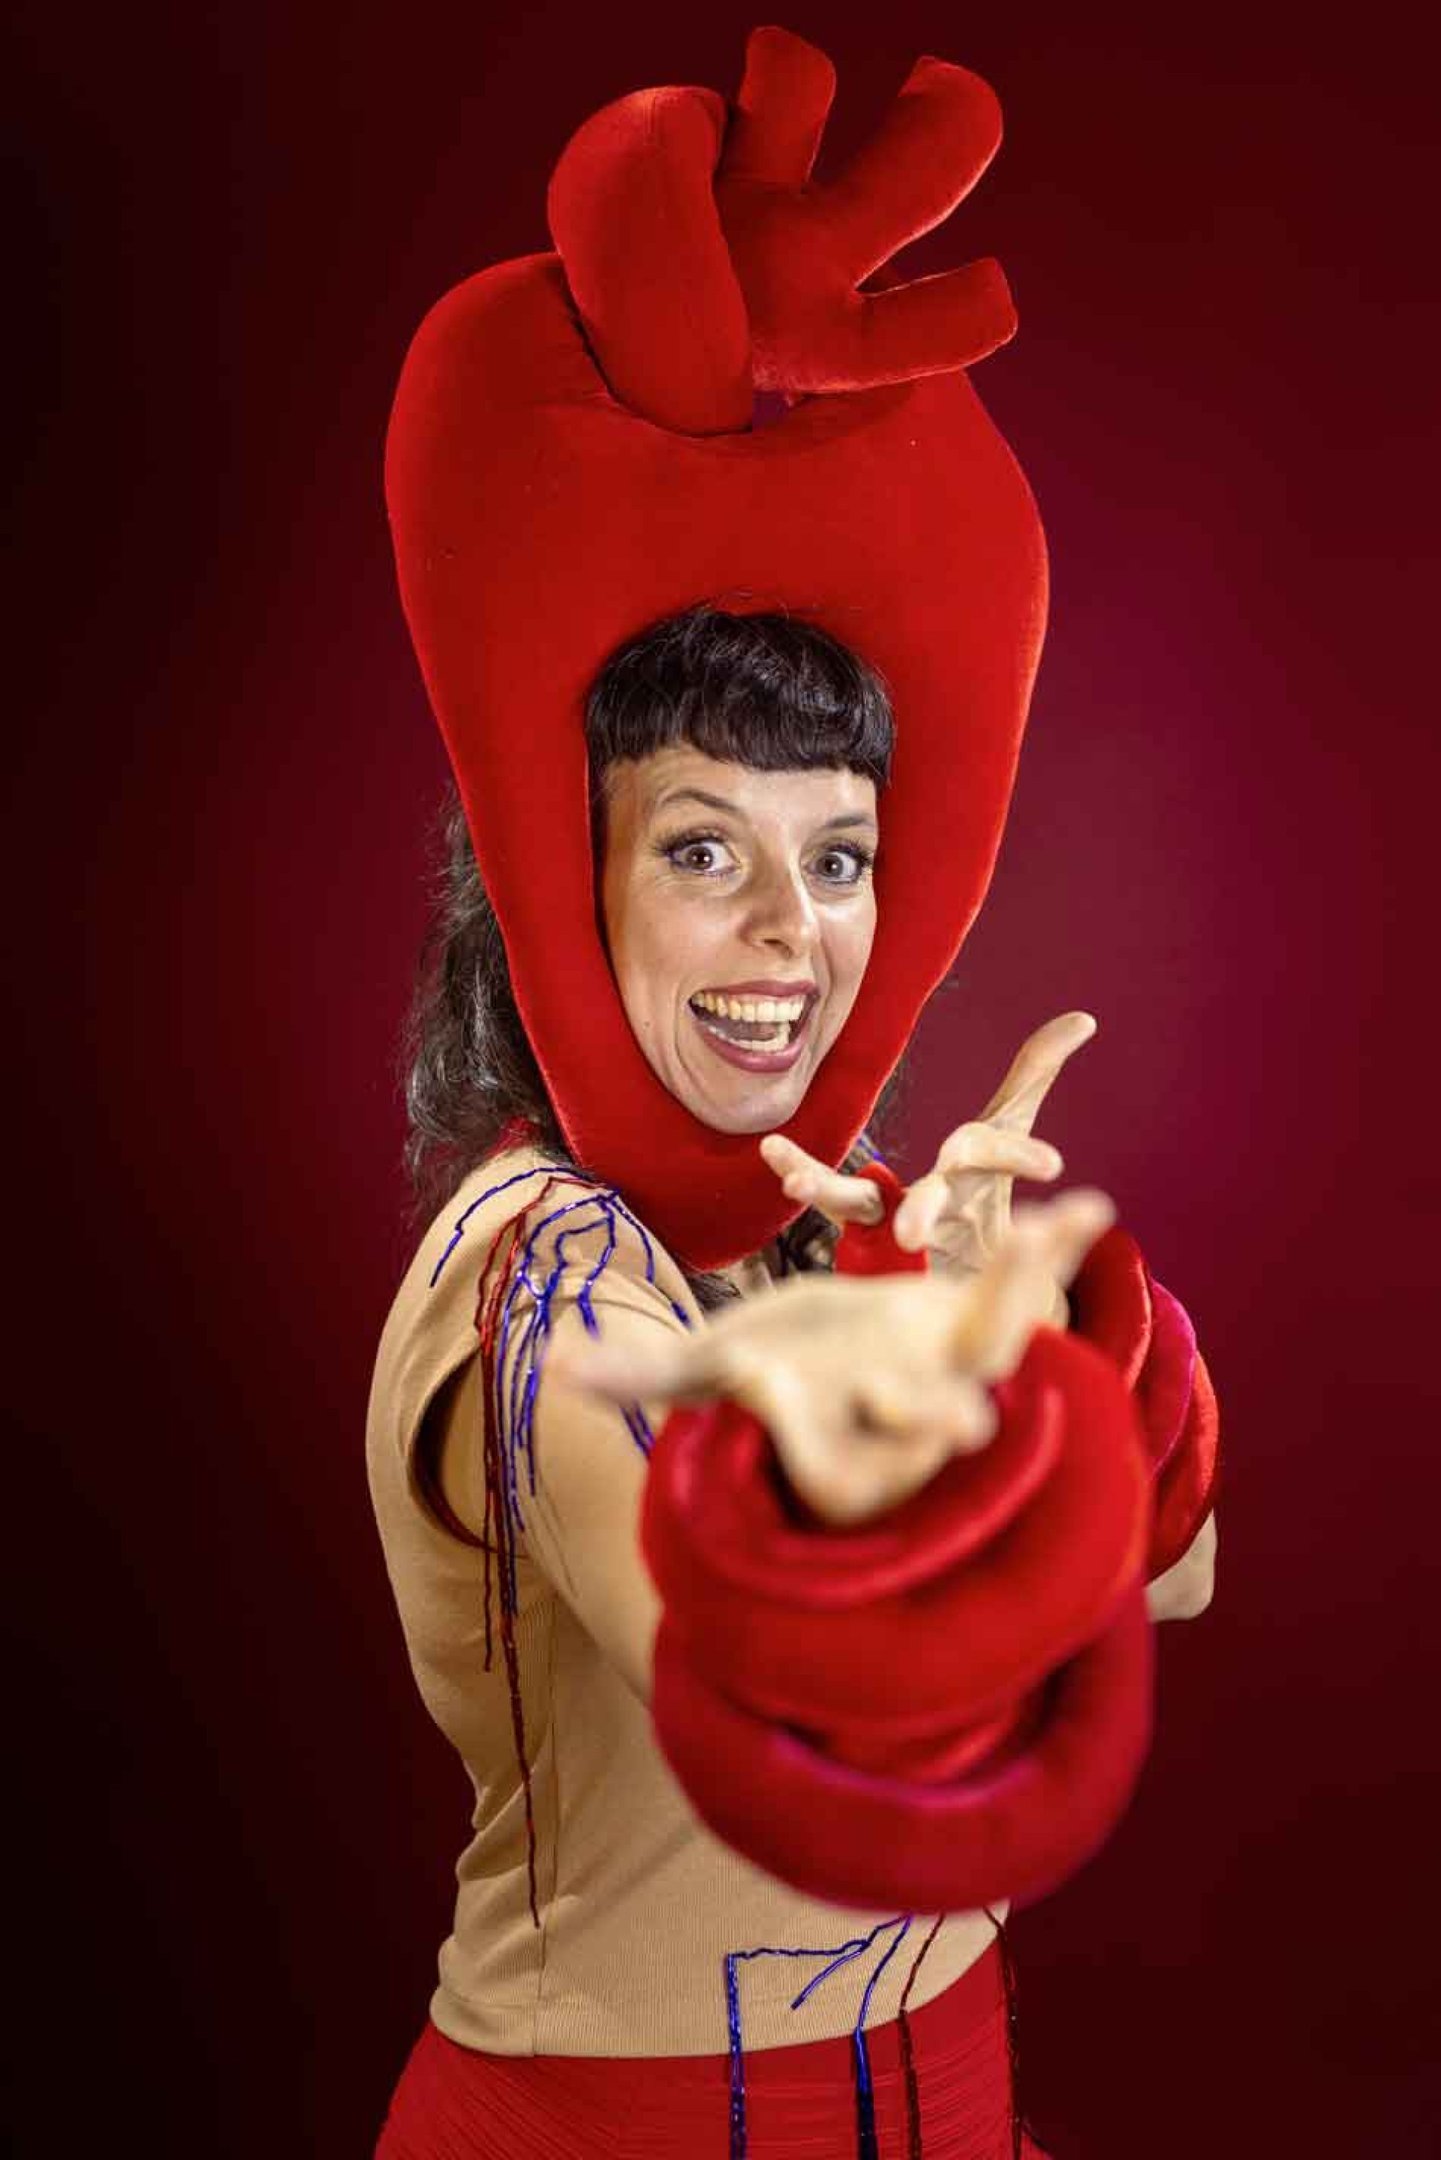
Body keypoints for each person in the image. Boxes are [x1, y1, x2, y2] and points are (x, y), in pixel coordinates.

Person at [368, 30, 1220, 2159]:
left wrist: (1007, 1332)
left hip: (948, 2104)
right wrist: (959, 1381)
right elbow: (771, 1689)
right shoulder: (541, 1273)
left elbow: (1175, 1578)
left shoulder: (828, 1219)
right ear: (551, 878)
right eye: (698, 849)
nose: (786, 932)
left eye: (834, 857)